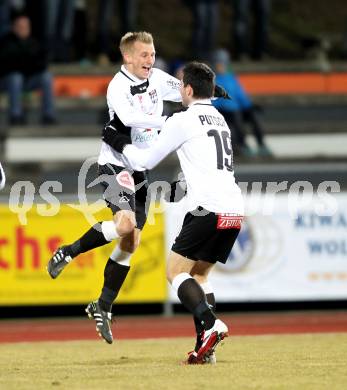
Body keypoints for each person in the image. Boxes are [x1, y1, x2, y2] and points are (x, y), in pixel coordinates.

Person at [103, 62, 244, 364]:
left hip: (209, 205)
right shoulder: (219, 118)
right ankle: (204, 348)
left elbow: (145, 160)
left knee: (175, 272)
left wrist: (118, 141)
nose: (179, 90)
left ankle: (211, 325)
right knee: (200, 275)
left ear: (189, 90)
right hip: (233, 208)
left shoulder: (183, 119)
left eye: (181, 85)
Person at [47, 31, 182, 344]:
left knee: (131, 241)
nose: (151, 60)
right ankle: (69, 251)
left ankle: (102, 305)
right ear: (128, 58)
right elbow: (132, 118)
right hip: (115, 165)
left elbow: (186, 92)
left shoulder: (159, 78)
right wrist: (174, 122)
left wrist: (208, 93)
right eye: (145, 55)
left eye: (152, 54)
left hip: (140, 169)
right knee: (125, 224)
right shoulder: (117, 87)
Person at [211, 48, 272, 157]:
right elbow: (212, 100)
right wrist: (225, 106)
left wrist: (250, 106)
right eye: (218, 64)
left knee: (253, 116)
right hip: (223, 111)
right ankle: (242, 144)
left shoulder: (231, 78)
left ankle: (261, 144)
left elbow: (240, 95)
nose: (221, 66)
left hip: (236, 109)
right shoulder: (212, 81)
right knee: (236, 117)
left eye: (223, 64)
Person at [0, 13, 56, 125]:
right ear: (14, 27)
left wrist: (22, 63)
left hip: (29, 80)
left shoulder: (34, 42)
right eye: (20, 26)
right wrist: (26, 63)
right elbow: (6, 65)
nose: (23, 29)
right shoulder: (5, 42)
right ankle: (16, 115)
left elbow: (42, 63)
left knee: (46, 76)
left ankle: (48, 115)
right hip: (7, 82)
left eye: (26, 26)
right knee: (16, 77)